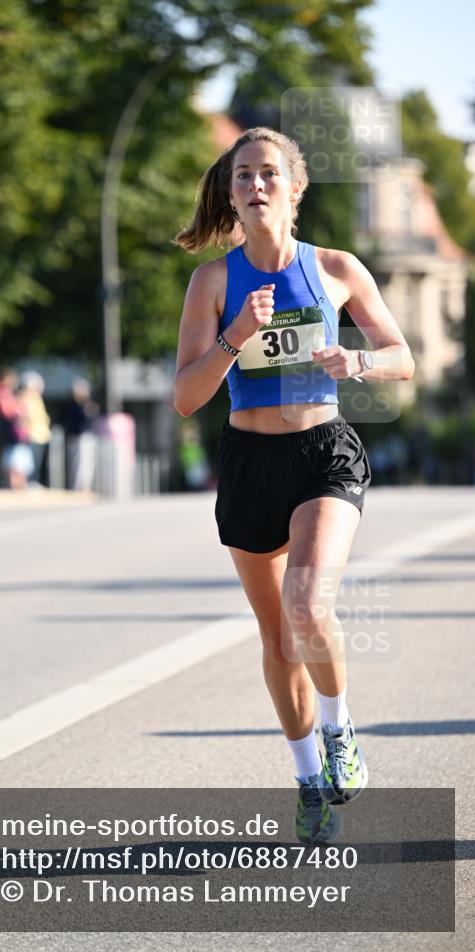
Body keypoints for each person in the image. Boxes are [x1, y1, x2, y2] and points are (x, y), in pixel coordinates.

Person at [173, 127, 414, 844]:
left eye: (268, 173)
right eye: (243, 175)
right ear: (230, 193)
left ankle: (339, 732)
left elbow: (401, 356)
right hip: (249, 461)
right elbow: (185, 397)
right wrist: (233, 338)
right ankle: (308, 778)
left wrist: (358, 362)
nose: (255, 185)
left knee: (307, 606)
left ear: (295, 188)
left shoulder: (335, 268)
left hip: (322, 454)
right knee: (279, 640)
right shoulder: (213, 283)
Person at [0, 367, 34, 489]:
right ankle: (15, 485)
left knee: (20, 459)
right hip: (11, 432)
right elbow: (7, 411)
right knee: (14, 460)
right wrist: (18, 411)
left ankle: (20, 484)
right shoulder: (2, 391)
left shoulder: (9, 392)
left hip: (18, 433)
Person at [18, 371, 52, 486]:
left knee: (38, 462)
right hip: (32, 435)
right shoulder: (25, 398)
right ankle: (30, 482)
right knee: (31, 463)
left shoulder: (36, 398)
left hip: (41, 435)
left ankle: (34, 481)